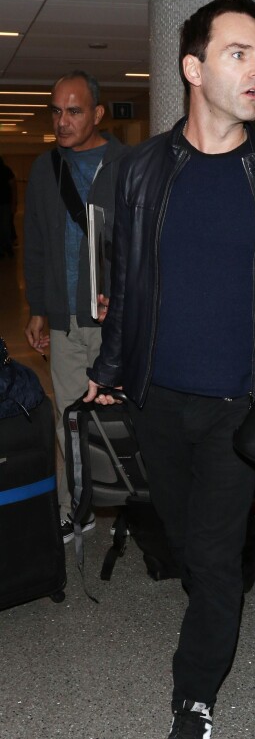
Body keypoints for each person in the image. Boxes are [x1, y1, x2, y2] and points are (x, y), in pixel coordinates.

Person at [85, 0, 255, 739]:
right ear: (192, 68)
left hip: (241, 403)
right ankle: (237, 542)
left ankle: (194, 698)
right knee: (183, 537)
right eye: (240, 53)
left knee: (208, 557)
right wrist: (111, 364)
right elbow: (128, 279)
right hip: (157, 399)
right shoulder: (143, 171)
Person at [23, 70, 126, 541]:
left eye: (74, 111)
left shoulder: (128, 164)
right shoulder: (47, 167)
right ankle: (76, 507)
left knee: (121, 415)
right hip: (65, 321)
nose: (62, 121)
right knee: (68, 417)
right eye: (57, 111)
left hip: (115, 322)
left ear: (98, 114)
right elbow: (38, 242)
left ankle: (131, 497)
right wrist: (39, 307)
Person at [0, 155, 16, 258]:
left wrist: (14, 203)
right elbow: (13, 186)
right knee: (5, 226)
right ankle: (5, 247)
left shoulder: (6, 170)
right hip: (6, 203)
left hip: (5, 203)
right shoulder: (6, 170)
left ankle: (7, 247)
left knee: (6, 226)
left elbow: (13, 186)